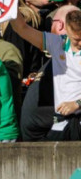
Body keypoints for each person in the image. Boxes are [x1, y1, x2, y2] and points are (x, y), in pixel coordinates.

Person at [11, 7, 81, 140]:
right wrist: (12, 7)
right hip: (62, 119)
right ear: (66, 28)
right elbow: (22, 29)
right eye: (76, 40)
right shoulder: (57, 43)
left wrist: (76, 103)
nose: (80, 43)